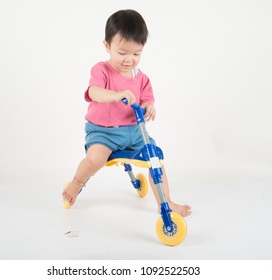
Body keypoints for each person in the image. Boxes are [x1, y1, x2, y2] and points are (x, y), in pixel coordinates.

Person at [63, 9, 191, 217]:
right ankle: (76, 183)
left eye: (136, 53)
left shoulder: (141, 78)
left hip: (134, 131)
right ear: (107, 46)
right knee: (96, 159)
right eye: (122, 53)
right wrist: (115, 94)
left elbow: (146, 99)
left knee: (155, 157)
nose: (129, 59)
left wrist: (149, 106)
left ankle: (165, 202)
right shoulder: (101, 70)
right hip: (104, 132)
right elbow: (94, 92)